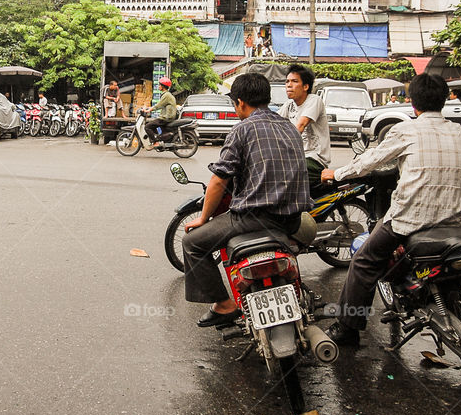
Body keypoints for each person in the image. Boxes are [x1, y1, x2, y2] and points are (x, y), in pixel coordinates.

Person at [319, 73, 461, 346]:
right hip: (451, 219)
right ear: (445, 101)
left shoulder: (406, 130)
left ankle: (347, 328)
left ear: (413, 104)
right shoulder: (458, 131)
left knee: (364, 262)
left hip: (410, 220)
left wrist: (335, 173)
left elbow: (369, 162)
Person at [182, 73, 313, 327]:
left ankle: (224, 305)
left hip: (253, 219)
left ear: (240, 102)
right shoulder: (289, 127)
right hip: (292, 221)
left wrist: (204, 218)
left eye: (234, 104)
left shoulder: (242, 130)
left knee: (192, 243)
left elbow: (219, 180)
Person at [277, 64, 331, 190]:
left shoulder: (314, 100)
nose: (289, 85)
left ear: (305, 86)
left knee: (281, 177)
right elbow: (273, 121)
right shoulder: (289, 105)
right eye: (287, 81)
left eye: (294, 81)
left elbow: (300, 125)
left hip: (314, 160)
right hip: (297, 158)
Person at [141, 77, 178, 149]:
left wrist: (149, 110)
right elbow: (160, 105)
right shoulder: (167, 94)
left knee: (147, 127)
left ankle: (156, 142)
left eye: (159, 85)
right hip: (168, 116)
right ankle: (159, 138)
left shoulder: (166, 95)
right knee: (153, 125)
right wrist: (149, 108)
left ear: (163, 86)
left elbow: (159, 105)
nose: (158, 86)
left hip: (166, 117)